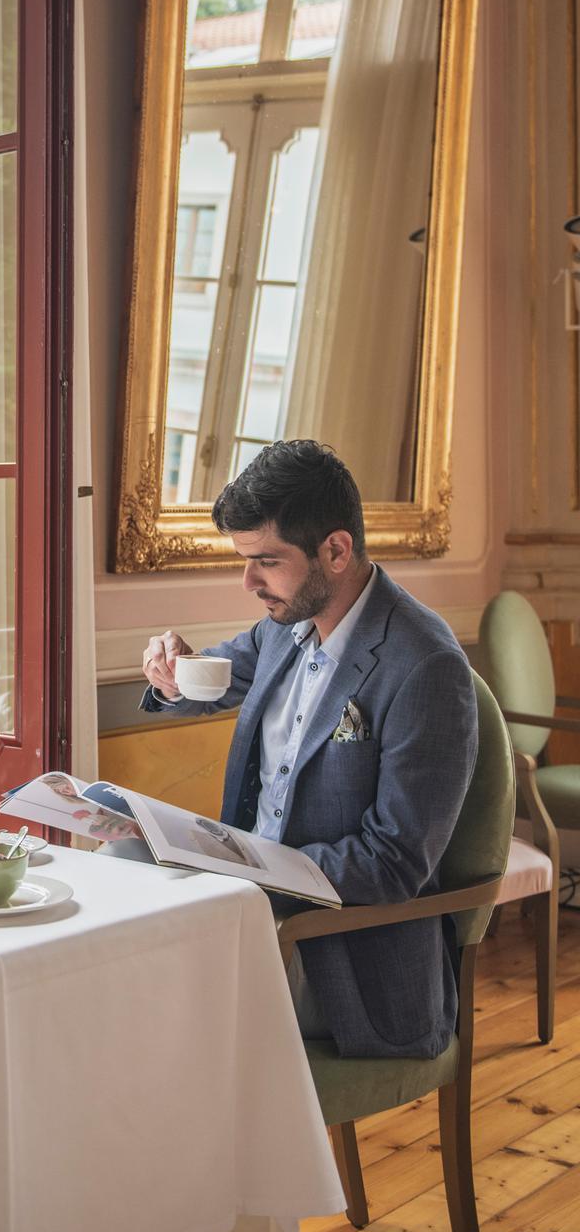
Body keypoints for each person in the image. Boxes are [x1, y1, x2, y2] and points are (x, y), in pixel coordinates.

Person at [139, 439, 477, 1060]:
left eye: (266, 560)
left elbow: (396, 861)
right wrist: (168, 670)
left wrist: (253, 872)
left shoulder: (425, 665)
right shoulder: (284, 627)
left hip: (339, 954)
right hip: (249, 907)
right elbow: (209, 679)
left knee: (153, 1011)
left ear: (336, 550)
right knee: (121, 865)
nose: (248, 582)